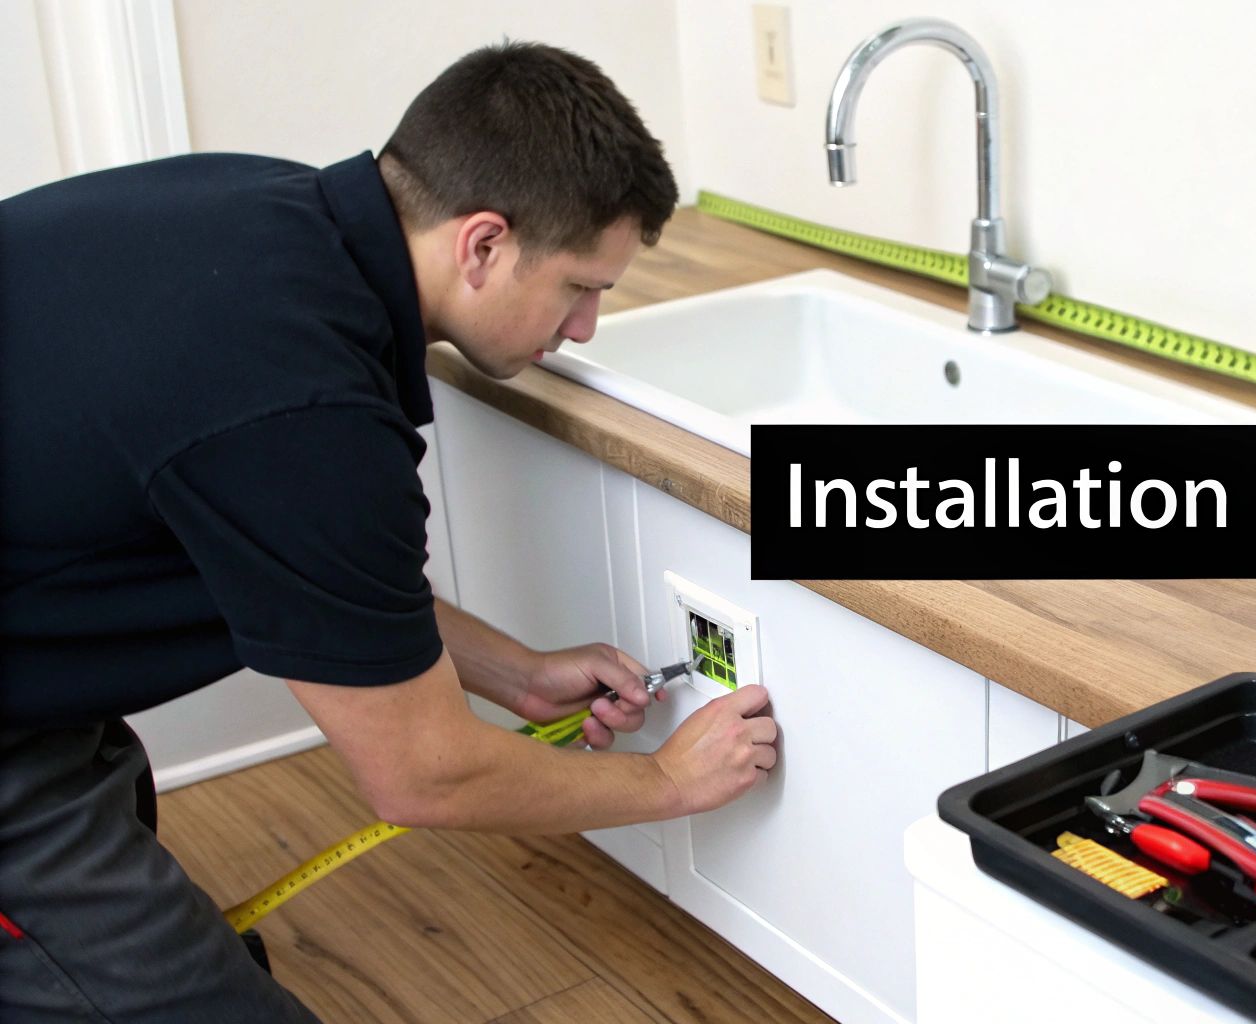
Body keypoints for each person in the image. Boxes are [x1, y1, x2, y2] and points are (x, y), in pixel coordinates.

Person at [0, 41, 777, 1022]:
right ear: (483, 243)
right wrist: (666, 781)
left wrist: (517, 675)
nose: (582, 328)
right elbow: (425, 775)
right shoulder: (305, 412)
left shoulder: (267, 215)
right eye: (582, 286)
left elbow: (312, 572)